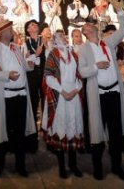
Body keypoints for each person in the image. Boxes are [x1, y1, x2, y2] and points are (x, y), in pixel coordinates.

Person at [79, 19, 124, 181]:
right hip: (99, 95)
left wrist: (120, 11)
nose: (91, 25)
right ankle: (97, 168)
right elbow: (82, 72)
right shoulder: (83, 49)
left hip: (114, 93)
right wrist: (96, 66)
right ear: (86, 32)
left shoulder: (107, 42)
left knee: (116, 133)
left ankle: (117, 167)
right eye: (88, 26)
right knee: (97, 132)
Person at [0, 20, 36, 178]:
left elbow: (25, 67)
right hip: (6, 96)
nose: (12, 31)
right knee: (3, 132)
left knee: (20, 132)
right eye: (10, 29)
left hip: (20, 95)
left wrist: (30, 61)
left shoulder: (15, 48)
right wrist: (6, 74)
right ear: (2, 33)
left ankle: (20, 165)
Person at [43, 29, 85, 178]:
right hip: (59, 96)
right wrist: (62, 91)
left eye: (64, 36)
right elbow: (48, 77)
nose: (64, 38)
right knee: (61, 129)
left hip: (73, 96)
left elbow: (79, 76)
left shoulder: (73, 54)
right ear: (55, 39)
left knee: (72, 129)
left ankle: (73, 165)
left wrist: (75, 90)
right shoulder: (52, 55)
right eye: (60, 36)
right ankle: (62, 166)